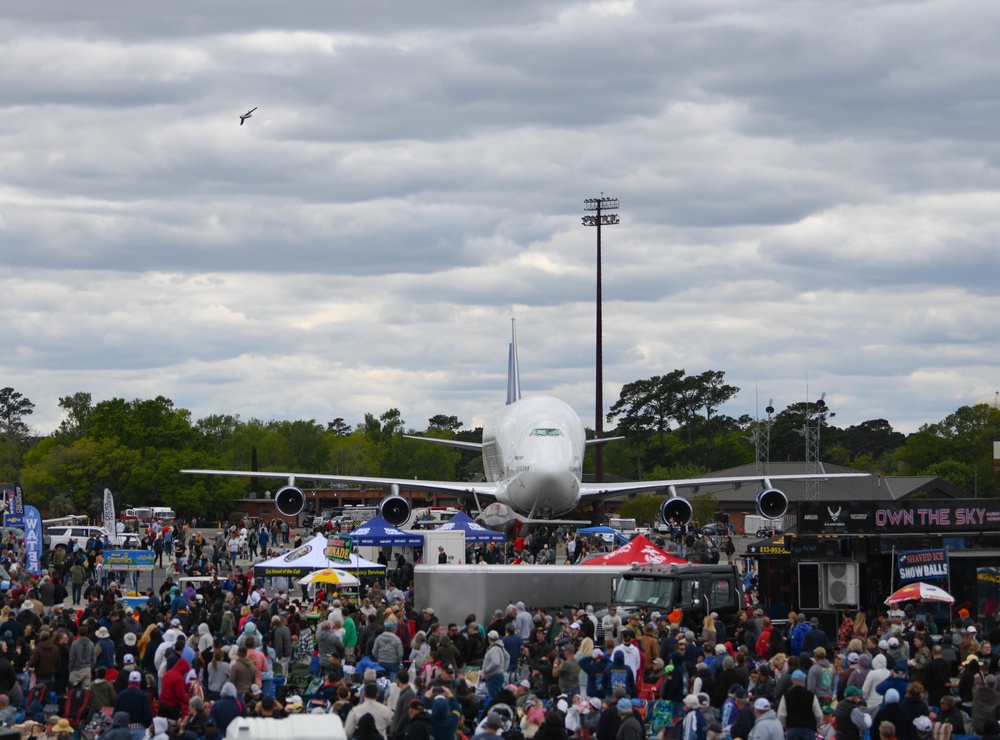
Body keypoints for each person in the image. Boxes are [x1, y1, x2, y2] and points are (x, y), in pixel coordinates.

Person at [778, 670, 821, 740]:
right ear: (803, 681)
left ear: (792, 680)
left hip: (792, 728)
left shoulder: (786, 695)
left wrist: (787, 725)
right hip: (808, 729)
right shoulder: (811, 695)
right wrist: (817, 723)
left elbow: (781, 715)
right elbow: (818, 714)